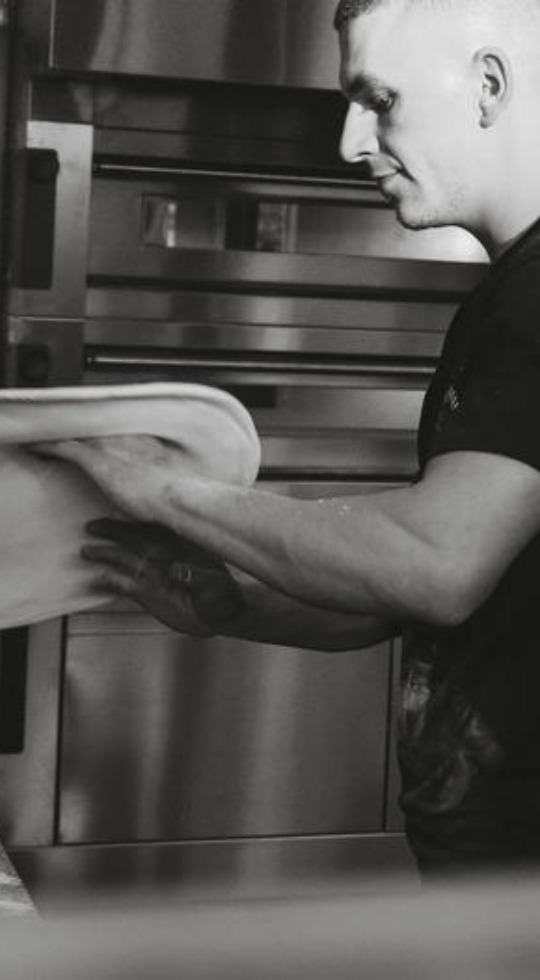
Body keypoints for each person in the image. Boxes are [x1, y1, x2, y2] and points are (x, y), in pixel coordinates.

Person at [34, 0, 540, 877]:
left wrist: (171, 491)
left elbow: (439, 563)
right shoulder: (504, 300)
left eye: (379, 100)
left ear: (489, 85)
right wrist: (245, 603)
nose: (351, 141)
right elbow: (418, 592)